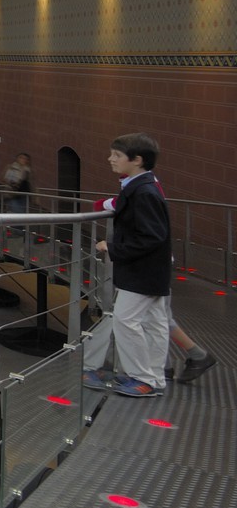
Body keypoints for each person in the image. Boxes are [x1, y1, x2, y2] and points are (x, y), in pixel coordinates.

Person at [81, 133, 172, 398]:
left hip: (141, 272)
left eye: (117, 155)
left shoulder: (143, 192)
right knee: (155, 324)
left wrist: (112, 247)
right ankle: (154, 378)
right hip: (151, 271)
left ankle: (142, 378)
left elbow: (151, 236)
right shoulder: (142, 186)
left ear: (137, 160)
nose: (110, 159)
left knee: (125, 321)